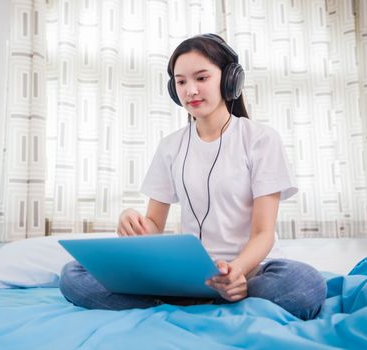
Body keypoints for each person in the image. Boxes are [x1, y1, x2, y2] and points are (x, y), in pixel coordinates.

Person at [59, 33, 327, 320]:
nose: (191, 91)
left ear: (229, 80)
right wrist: (131, 220)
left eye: (201, 78)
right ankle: (201, 303)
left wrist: (236, 272)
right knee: (72, 274)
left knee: (304, 284)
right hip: (186, 275)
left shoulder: (260, 139)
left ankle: (185, 304)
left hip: (248, 272)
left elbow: (263, 233)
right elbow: (154, 225)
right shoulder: (170, 147)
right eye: (181, 81)